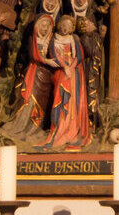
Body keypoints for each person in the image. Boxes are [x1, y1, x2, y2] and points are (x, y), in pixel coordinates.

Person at [43, 15, 90, 150]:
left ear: (72, 28)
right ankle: (59, 128)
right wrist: (65, 67)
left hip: (74, 72)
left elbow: (79, 56)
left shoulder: (74, 39)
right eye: (64, 25)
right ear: (60, 25)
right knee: (60, 97)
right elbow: (53, 55)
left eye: (69, 26)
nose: (65, 28)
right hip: (61, 71)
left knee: (73, 101)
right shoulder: (54, 39)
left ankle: (72, 128)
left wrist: (72, 67)